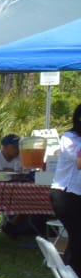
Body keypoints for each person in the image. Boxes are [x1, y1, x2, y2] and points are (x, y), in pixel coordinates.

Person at [50, 104, 81, 267]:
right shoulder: (69, 138)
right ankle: (71, 275)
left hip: (77, 194)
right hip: (66, 194)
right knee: (77, 236)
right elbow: (79, 162)